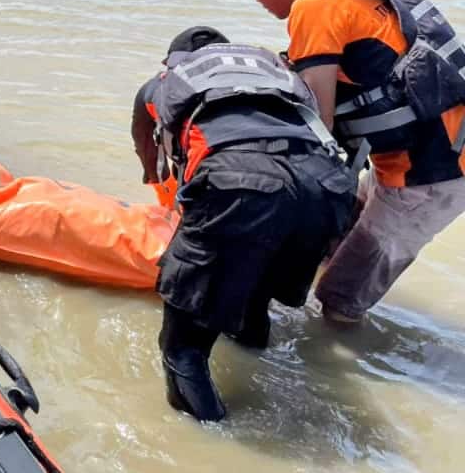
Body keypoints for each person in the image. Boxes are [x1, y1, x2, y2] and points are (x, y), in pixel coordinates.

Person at [231, 0, 465, 325]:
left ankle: (334, 367)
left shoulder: (313, 8)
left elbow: (316, 126)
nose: (258, 2)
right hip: (428, 149)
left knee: (340, 301)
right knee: (332, 243)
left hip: (432, 174)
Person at [132, 26, 357, 421]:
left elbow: (146, 143)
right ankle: (255, 351)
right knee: (254, 302)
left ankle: (208, 444)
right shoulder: (274, 73)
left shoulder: (165, 81)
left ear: (172, 61)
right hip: (326, 188)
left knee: (184, 350)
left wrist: (158, 182)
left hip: (241, 183)